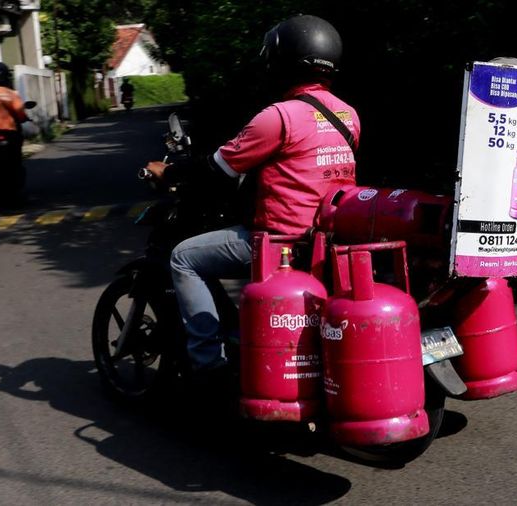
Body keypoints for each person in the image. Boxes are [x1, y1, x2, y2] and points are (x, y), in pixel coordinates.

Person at [145, 15, 360, 377]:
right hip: (326, 240)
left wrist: (167, 172)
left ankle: (207, 364)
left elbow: (217, 169)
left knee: (183, 257)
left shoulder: (278, 117)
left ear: (282, 63)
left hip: (277, 244)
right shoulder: (348, 114)